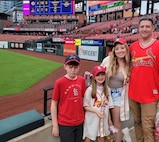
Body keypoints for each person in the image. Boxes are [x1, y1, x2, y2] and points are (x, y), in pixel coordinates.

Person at [128, 17, 159, 142]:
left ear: (153, 29)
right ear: (138, 29)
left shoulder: (157, 45)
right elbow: (125, 66)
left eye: (147, 26)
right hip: (133, 94)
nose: (144, 29)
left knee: (148, 128)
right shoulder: (133, 47)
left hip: (151, 96)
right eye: (142, 27)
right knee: (137, 123)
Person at [50, 54, 86, 142]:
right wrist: (55, 125)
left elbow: (84, 98)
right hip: (65, 124)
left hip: (80, 122)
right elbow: (54, 103)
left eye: (75, 67)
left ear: (79, 67)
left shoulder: (81, 80)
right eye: (70, 67)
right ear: (65, 67)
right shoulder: (59, 82)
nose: (73, 70)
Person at [101, 38, 131, 142]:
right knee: (106, 120)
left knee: (116, 121)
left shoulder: (129, 63)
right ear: (114, 50)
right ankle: (120, 135)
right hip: (107, 93)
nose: (120, 51)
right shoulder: (107, 60)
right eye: (117, 49)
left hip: (120, 95)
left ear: (126, 48)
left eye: (122, 48)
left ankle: (118, 139)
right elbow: (100, 74)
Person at [83, 65, 113, 142]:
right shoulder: (90, 90)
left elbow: (108, 106)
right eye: (98, 75)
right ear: (94, 77)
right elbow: (85, 106)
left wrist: (109, 120)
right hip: (92, 119)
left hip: (103, 119)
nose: (100, 77)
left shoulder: (107, 89)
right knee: (89, 137)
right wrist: (96, 111)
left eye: (102, 74)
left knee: (102, 137)